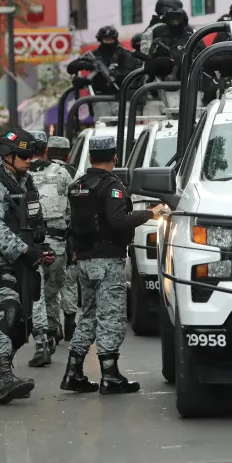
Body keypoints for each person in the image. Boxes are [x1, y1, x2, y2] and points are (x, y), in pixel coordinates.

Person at [61, 136, 164, 395]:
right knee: (112, 317)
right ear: (114, 157)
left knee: (88, 315)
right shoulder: (111, 186)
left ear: (91, 158)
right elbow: (118, 220)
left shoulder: (77, 186)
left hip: (83, 259)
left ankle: (73, 371)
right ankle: (110, 375)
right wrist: (151, 213)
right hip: (107, 260)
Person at [0, 128, 56, 404]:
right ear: (6, 155)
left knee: (22, 325)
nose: (29, 159)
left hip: (24, 264)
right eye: (23, 155)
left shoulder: (26, 183)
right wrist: (25, 251)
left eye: (31, 154)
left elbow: (34, 224)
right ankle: (5, 378)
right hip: (1, 263)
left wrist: (42, 249)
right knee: (8, 314)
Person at [26, 130, 74, 367]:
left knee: (37, 293)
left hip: (31, 246)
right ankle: (54, 330)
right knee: (52, 291)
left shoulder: (20, 175)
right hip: (57, 245)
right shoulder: (62, 173)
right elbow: (72, 208)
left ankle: (42, 340)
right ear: (46, 149)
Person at [66, 26, 141, 119]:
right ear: (100, 40)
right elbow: (71, 67)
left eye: (110, 39)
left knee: (124, 128)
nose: (108, 42)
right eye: (105, 40)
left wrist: (115, 75)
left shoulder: (124, 54)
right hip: (100, 98)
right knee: (102, 127)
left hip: (121, 98)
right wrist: (86, 67)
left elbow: (129, 72)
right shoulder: (95, 55)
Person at [46, 135, 79, 341]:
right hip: (71, 235)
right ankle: (70, 321)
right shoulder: (74, 174)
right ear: (68, 155)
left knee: (51, 284)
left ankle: (53, 325)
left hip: (49, 237)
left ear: (48, 153)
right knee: (70, 281)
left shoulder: (39, 173)